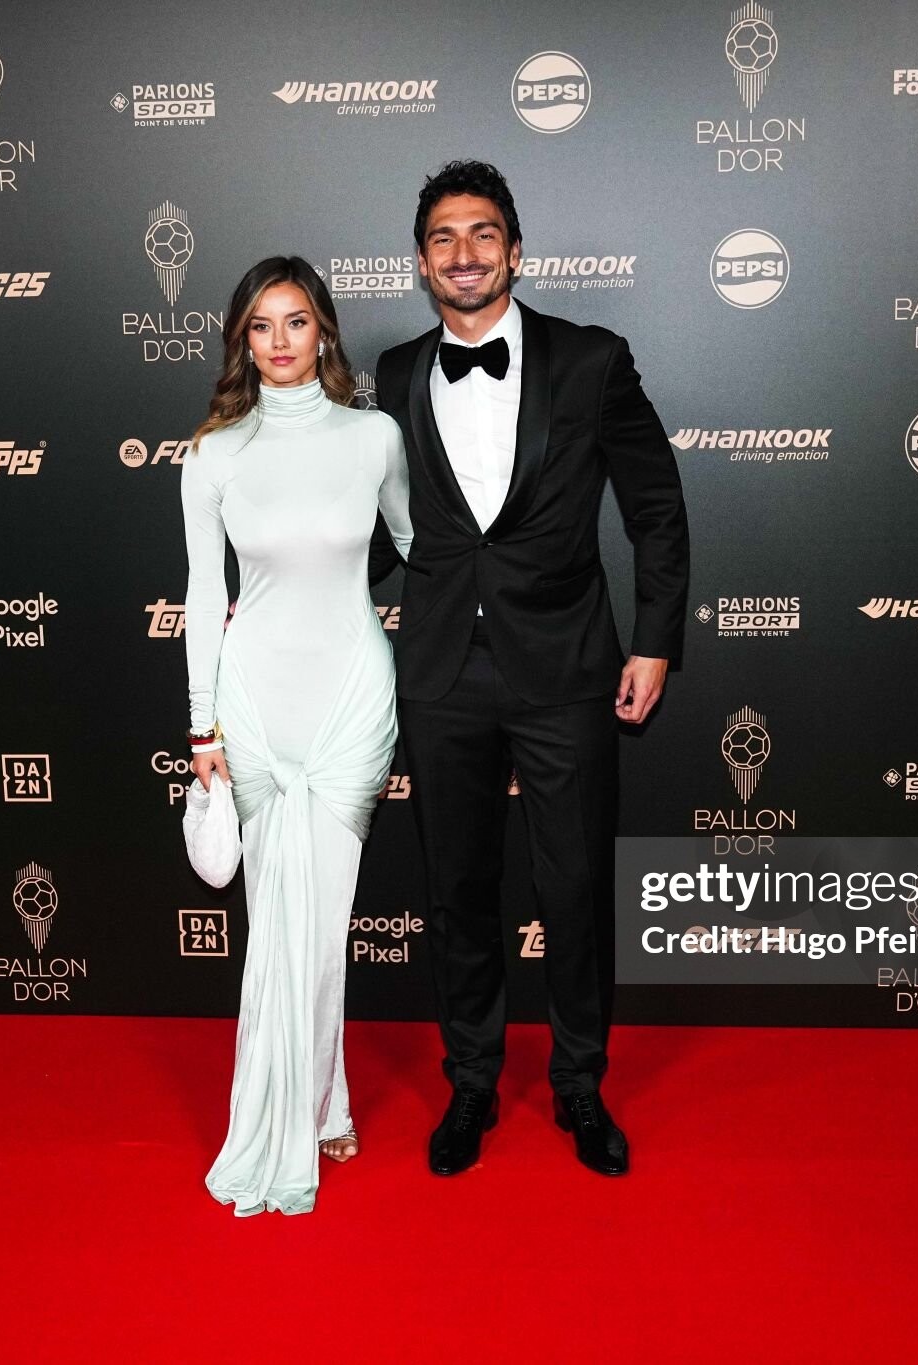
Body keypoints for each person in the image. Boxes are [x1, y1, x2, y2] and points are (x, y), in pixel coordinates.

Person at [369, 161, 689, 1178]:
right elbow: (374, 527)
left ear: (514, 250)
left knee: (575, 885)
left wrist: (654, 640)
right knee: (457, 887)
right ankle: (470, 1079)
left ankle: (579, 1082)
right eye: (443, 238)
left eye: (482, 234)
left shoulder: (591, 360)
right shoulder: (391, 374)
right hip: (440, 671)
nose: (463, 254)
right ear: (421, 262)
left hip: (565, 667)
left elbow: (654, 507)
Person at [184, 257, 413, 1217]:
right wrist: (201, 723)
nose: (280, 341)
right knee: (276, 920)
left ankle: (319, 1101)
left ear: (324, 331)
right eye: (261, 325)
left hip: (351, 694)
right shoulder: (214, 454)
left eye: (297, 321)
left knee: (324, 920)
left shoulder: (374, 437)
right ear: (242, 339)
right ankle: (321, 1107)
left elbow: (420, 548)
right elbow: (205, 594)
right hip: (257, 701)